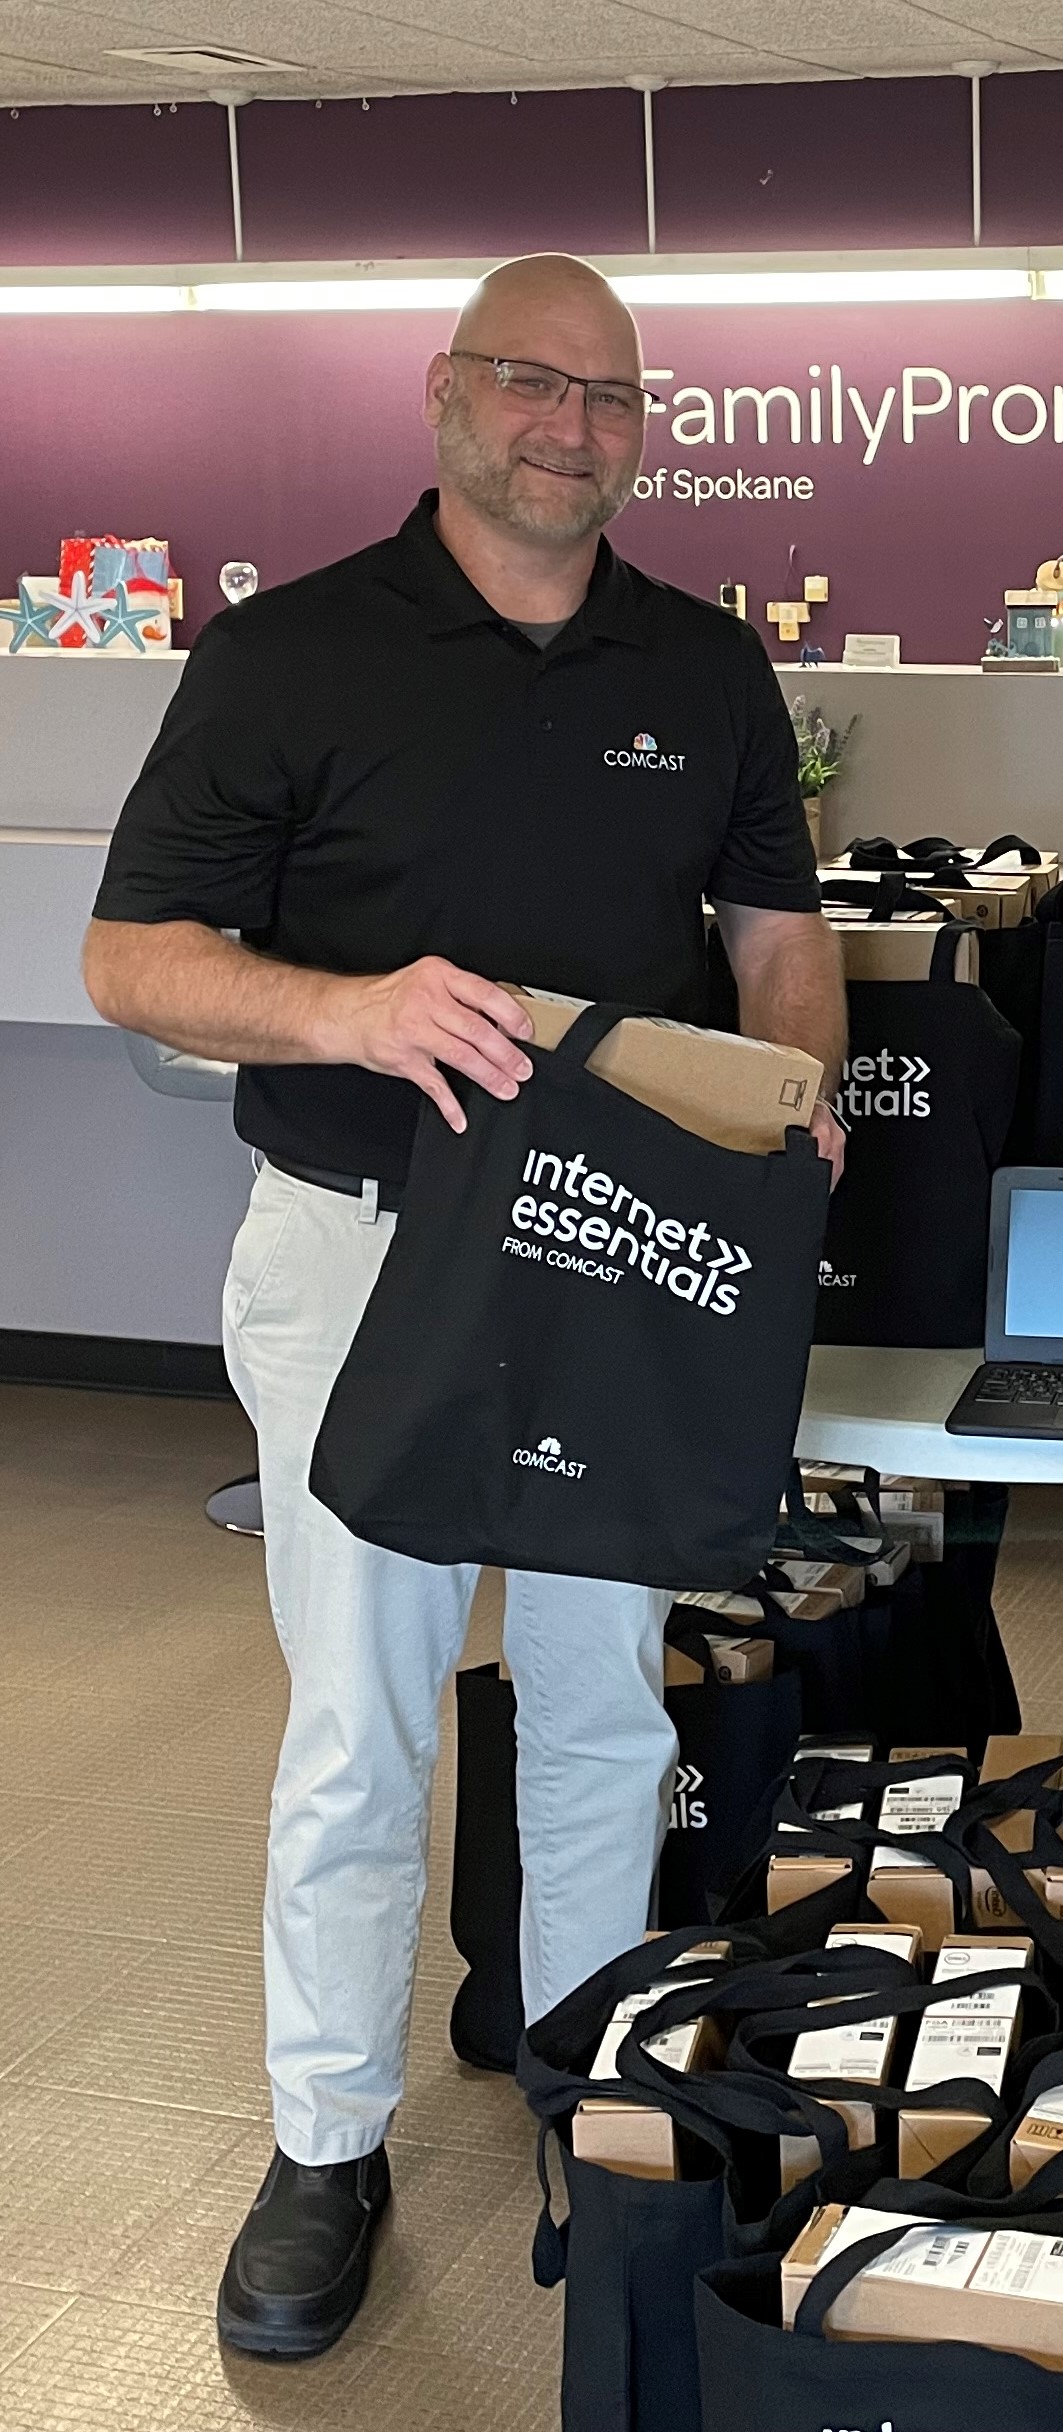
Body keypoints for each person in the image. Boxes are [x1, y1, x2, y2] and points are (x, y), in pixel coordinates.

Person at [83, 253, 845, 2361]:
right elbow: (132, 953)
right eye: (531, 382)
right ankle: (326, 2139)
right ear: (445, 396)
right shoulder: (290, 652)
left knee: (603, 1704)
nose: (571, 424)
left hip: (617, 1265)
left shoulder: (699, 664)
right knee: (361, 1722)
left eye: (609, 393)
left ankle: (592, 2075)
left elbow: (774, 932)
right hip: (367, 1253)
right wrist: (346, 1003)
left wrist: (806, 1095)